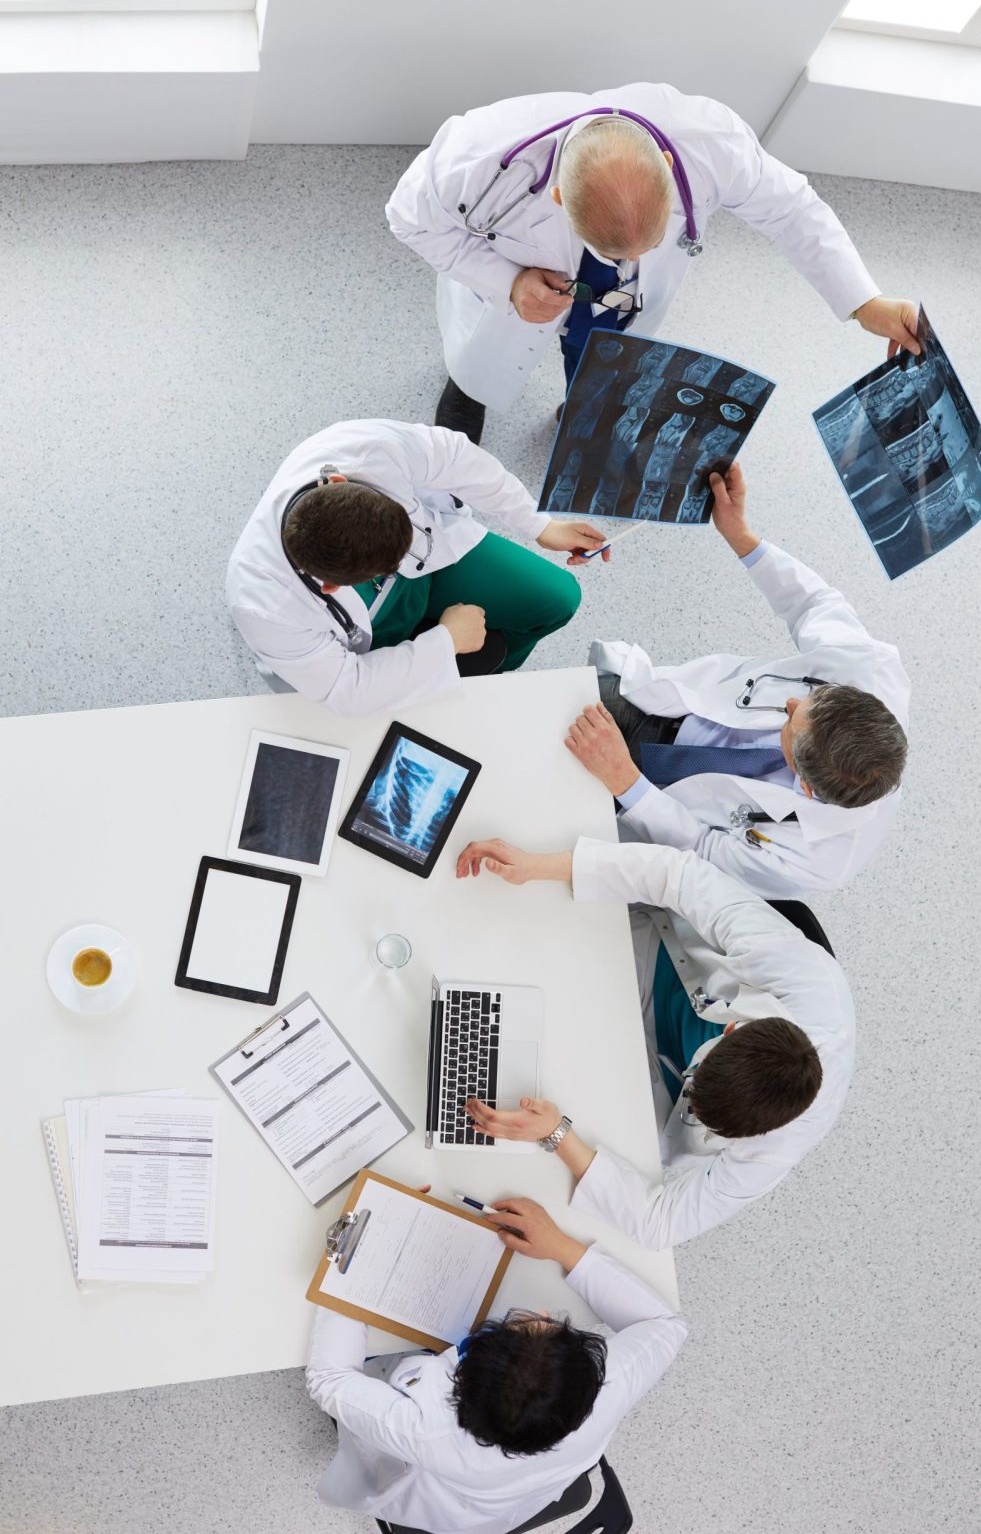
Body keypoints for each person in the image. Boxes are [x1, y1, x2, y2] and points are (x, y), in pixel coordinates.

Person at [386, 82, 920, 444]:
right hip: (520, 281)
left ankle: (582, 407)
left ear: (667, 165)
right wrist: (507, 281)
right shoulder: (476, 153)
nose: (635, 262)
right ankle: (469, 388)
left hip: (609, 308)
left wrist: (863, 300)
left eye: (653, 240)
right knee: (485, 352)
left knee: (600, 355)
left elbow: (792, 210)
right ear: (557, 199)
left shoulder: (713, 141)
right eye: (618, 253)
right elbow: (408, 219)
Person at [455, 837, 854, 1251]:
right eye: (696, 1082)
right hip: (644, 960)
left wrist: (557, 1135)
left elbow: (662, 1224)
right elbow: (677, 875)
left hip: (631, 1085)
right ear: (731, 1029)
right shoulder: (799, 972)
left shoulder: (776, 1148)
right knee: (493, 934)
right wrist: (538, 865)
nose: (692, 1103)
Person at [566, 462, 910, 897]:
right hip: (671, 706)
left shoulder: (822, 862)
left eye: (792, 724)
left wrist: (624, 782)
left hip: (656, 800)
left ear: (804, 784)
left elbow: (703, 852)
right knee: (542, 706)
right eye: (811, 697)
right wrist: (739, 535)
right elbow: (812, 604)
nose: (790, 704)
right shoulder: (871, 672)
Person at [305, 1197, 685, 1533]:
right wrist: (562, 1248)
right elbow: (665, 1326)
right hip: (517, 1498)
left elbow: (328, 1379)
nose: (542, 1310)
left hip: (439, 1503)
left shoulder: (425, 1428)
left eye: (525, 1323)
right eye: (549, 1323)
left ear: (464, 1370)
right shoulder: (612, 1383)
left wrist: (352, 1258)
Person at [227, 417, 607, 714]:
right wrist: (446, 642)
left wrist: (539, 524)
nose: (403, 564)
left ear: (339, 480)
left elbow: (459, 458)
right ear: (329, 586)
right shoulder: (265, 605)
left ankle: (494, 674)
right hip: (368, 633)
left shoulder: (362, 446)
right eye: (386, 569)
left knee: (557, 598)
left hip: (436, 562)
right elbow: (347, 690)